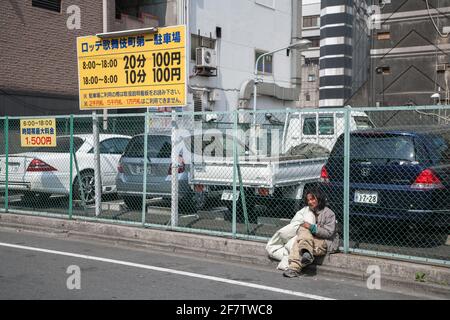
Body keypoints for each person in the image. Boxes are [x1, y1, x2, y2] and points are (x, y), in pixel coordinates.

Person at [283, 188, 339, 278]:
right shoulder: (307, 211)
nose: (310, 202)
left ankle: (294, 268)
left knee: (299, 243)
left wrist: (312, 228)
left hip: (326, 241)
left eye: (312, 199)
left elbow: (329, 233)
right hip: (309, 239)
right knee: (302, 229)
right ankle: (306, 253)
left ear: (319, 199)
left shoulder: (328, 213)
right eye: (308, 200)